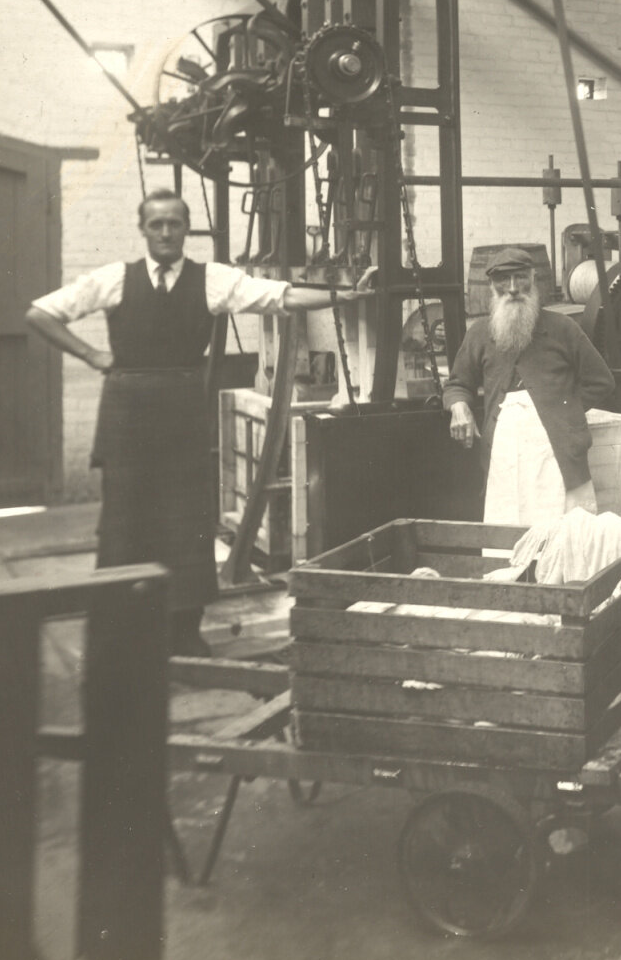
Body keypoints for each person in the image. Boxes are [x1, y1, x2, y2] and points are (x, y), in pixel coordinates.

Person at [26, 187, 373, 655]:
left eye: (175, 223)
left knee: (185, 523)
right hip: (126, 414)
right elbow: (41, 313)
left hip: (182, 412)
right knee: (125, 523)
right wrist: (91, 354)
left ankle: (183, 633)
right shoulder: (114, 279)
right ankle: (121, 635)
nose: (166, 232)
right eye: (157, 224)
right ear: (143, 229)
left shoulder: (210, 279)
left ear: (186, 229)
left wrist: (342, 295)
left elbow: (279, 296)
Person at [444, 247, 616, 527]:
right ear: (491, 285)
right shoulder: (479, 333)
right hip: (503, 455)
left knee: (564, 535)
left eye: (520, 278)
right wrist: (458, 406)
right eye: (504, 280)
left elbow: (601, 381)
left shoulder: (563, 328)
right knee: (508, 531)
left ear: (533, 280)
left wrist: (563, 410)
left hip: (558, 454)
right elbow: (458, 384)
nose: (512, 289)